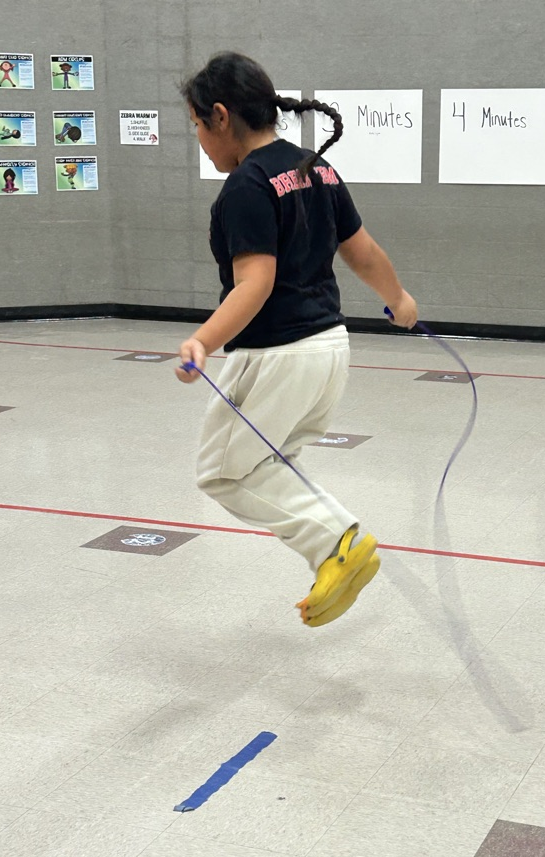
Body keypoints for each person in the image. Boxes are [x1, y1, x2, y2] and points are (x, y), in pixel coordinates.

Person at [177, 51, 417, 627]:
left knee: (223, 471)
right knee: (271, 464)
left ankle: (336, 543)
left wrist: (204, 341)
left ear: (220, 116)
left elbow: (254, 284)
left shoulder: (246, 187)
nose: (199, 141)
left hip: (276, 356)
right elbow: (362, 251)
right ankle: (339, 553)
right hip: (331, 351)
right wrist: (399, 300)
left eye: (195, 127)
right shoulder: (316, 169)